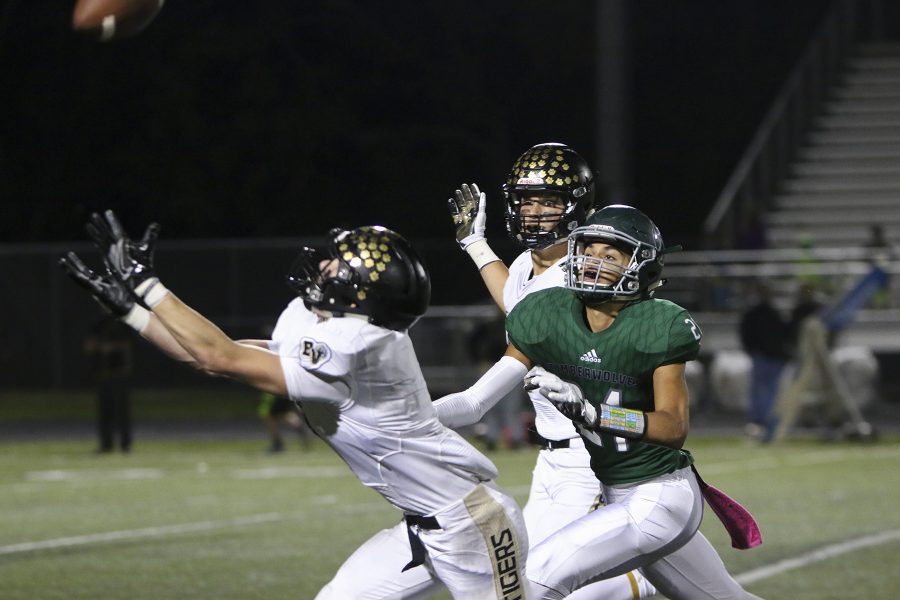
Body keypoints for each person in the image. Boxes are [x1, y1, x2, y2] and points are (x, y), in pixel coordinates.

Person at [61, 212, 530, 600]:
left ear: (359, 290)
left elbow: (215, 354)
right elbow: (213, 357)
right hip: (425, 525)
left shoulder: (360, 343)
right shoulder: (333, 324)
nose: (324, 267)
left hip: (471, 525)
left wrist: (146, 285)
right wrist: (134, 310)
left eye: (336, 266)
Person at [505, 204, 762, 599]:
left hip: (660, 495)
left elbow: (673, 427)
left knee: (534, 579)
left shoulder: (657, 324)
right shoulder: (552, 314)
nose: (593, 262)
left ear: (642, 267)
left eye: (610, 256)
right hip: (617, 495)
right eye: (588, 251)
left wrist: (592, 413)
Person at [441, 142, 657, 599]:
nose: (534, 211)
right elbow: (520, 309)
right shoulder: (527, 265)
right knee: (520, 583)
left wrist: (401, 416)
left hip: (595, 454)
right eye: (526, 200)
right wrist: (474, 245)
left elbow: (480, 397)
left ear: (577, 207)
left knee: (545, 587)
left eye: (550, 201)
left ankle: (636, 584)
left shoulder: (583, 277)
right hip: (553, 457)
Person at [738, 281, 789, 439]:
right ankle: (760, 420)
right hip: (763, 355)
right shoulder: (760, 313)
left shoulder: (770, 313)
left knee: (768, 389)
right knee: (762, 389)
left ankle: (765, 419)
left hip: (771, 356)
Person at [84, 314, 134, 453]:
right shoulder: (99, 323)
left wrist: (110, 347)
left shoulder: (122, 322)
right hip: (102, 374)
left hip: (119, 373)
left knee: (121, 411)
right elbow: (90, 344)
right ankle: (106, 444)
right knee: (104, 411)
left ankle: (126, 444)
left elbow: (129, 344)